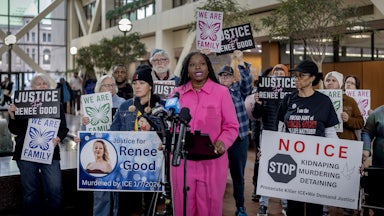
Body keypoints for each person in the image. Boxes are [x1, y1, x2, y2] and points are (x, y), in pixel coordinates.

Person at [170, 51, 239, 216]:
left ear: (208, 68)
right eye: (192, 65)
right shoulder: (176, 93)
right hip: (183, 162)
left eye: (202, 63)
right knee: (183, 206)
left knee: (209, 208)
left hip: (212, 163)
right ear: (187, 70)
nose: (197, 67)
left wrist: (222, 142)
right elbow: (170, 124)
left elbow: (231, 126)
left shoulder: (221, 92)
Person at [276, 60, 339, 216]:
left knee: (314, 208)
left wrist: (346, 157)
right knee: (294, 207)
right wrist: (269, 150)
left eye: (301, 75)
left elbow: (331, 134)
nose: (296, 79)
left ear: (312, 78)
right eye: (295, 76)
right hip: (292, 162)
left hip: (315, 166)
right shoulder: (288, 100)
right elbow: (279, 132)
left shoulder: (324, 101)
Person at [7, 73, 69, 216]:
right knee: (30, 193)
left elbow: (64, 128)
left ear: (48, 87)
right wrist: (12, 116)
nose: (42, 86)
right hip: (26, 153)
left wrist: (58, 137)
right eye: (38, 84)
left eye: (44, 83)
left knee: (55, 190)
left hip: (50, 152)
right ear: (32, 87)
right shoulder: (21, 104)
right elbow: (14, 130)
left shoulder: (57, 105)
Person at [110, 64, 164, 216]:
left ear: (150, 86)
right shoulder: (125, 106)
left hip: (151, 166)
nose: (137, 86)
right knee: (124, 205)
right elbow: (113, 133)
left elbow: (166, 135)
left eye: (142, 83)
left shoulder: (160, 107)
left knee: (150, 205)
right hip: (127, 164)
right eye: (134, 83)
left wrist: (153, 128)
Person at [80, 74, 124, 216]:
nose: (110, 88)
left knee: (118, 192)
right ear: (99, 88)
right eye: (106, 85)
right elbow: (86, 132)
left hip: (118, 149)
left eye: (112, 85)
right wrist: (84, 123)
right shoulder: (90, 102)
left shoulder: (123, 102)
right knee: (101, 191)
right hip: (100, 148)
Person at [323, 71, 364, 216]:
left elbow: (360, 122)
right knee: (326, 176)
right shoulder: (319, 99)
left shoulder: (350, 101)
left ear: (340, 84)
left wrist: (349, 120)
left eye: (334, 80)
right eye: (328, 80)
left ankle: (347, 205)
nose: (330, 82)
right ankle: (325, 207)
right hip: (326, 146)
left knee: (346, 176)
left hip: (346, 145)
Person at [217, 50, 252, 216]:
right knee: (218, 176)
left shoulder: (239, 89)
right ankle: (215, 207)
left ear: (232, 78)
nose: (225, 78)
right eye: (222, 76)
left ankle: (240, 207)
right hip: (220, 140)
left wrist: (240, 60)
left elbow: (247, 81)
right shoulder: (215, 92)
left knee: (238, 176)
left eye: (227, 76)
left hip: (239, 138)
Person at [253, 64, 289, 216]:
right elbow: (256, 115)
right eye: (276, 72)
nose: (279, 75)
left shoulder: (292, 93)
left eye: (282, 72)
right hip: (267, 133)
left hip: (286, 135)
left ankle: (286, 203)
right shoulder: (264, 93)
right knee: (265, 169)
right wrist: (259, 103)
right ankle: (263, 204)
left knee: (287, 167)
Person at [250, 67, 272, 203]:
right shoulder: (260, 92)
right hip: (263, 132)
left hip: (280, 133)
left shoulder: (289, 93)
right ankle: (257, 189)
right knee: (260, 162)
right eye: (270, 76)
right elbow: (255, 116)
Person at [361, 105, 384, 215]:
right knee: (379, 203)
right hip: (380, 167)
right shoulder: (377, 113)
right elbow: (367, 132)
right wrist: (366, 149)